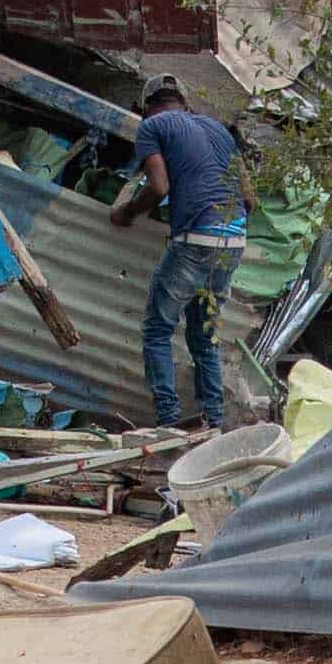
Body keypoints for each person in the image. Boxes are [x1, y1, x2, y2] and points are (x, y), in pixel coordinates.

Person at [119, 73, 251, 431]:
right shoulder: (220, 130)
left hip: (196, 239)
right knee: (204, 334)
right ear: (184, 102)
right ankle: (215, 422)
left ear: (147, 108)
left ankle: (167, 423)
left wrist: (126, 213)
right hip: (233, 241)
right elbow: (249, 197)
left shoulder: (152, 127)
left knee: (158, 328)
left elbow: (158, 186)